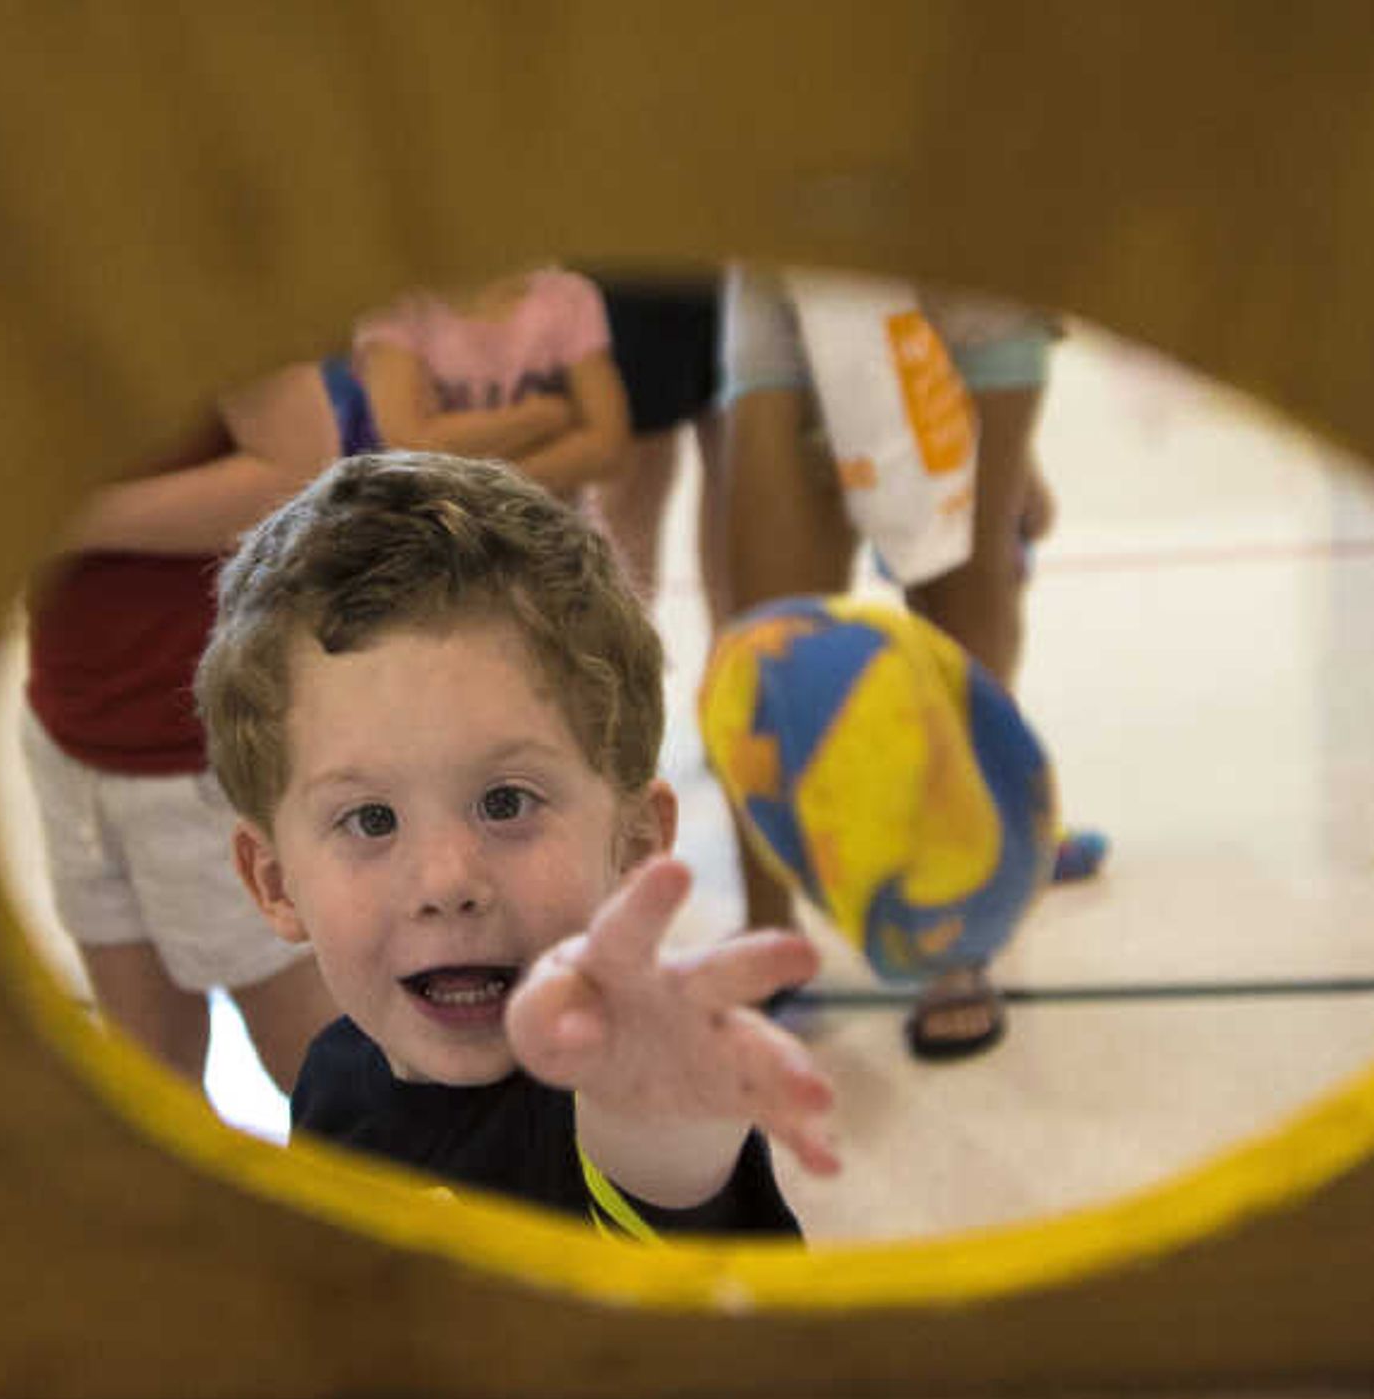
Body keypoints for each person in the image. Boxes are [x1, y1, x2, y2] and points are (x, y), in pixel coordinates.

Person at [194, 451, 837, 1238]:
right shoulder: (333, 1080)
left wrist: (675, 1119)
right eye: (369, 819)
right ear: (275, 882)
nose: (446, 879)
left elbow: (660, 1164)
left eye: (505, 802)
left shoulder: (609, 1092)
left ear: (635, 848)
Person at [714, 267, 1063, 1059]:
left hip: (961, 249)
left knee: (961, 621)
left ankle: (957, 945)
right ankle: (765, 925)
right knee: (765, 638)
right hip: (789, 263)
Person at [21, 365, 345, 1094]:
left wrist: (62, 514)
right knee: (148, 1082)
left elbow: (299, 473)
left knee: (328, 1088)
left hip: (210, 750)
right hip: (72, 721)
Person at [349, 270, 633, 503]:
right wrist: (541, 418)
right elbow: (410, 446)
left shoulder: (567, 295)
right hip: (436, 534)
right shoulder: (395, 307)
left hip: (552, 533)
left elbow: (606, 448)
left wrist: (467, 458)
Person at [578, 269, 730, 606]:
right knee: (635, 459)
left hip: (741, 258)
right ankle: (620, 646)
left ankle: (737, 649)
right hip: (632, 260)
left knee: (738, 460)